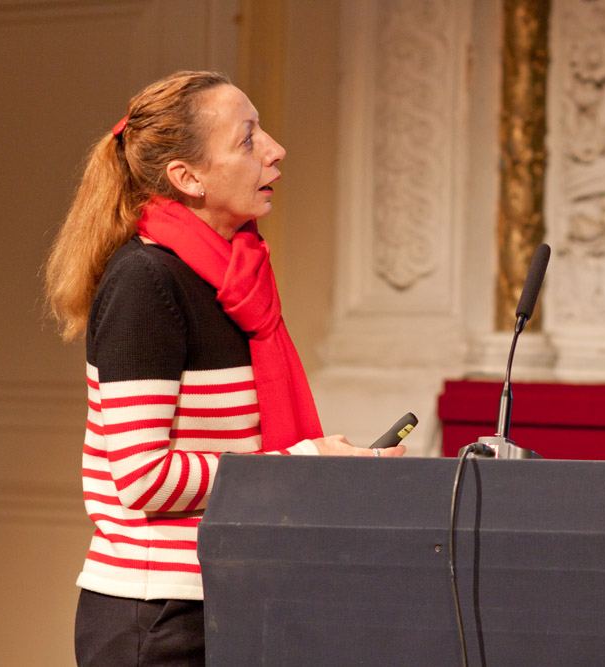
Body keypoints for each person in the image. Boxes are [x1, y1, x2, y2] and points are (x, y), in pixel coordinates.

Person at [44, 70, 405, 666]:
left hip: (231, 598)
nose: (275, 150)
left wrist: (331, 467)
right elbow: (143, 478)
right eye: (248, 138)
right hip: (159, 616)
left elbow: (242, 444)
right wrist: (305, 465)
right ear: (187, 178)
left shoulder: (237, 281)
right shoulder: (146, 282)